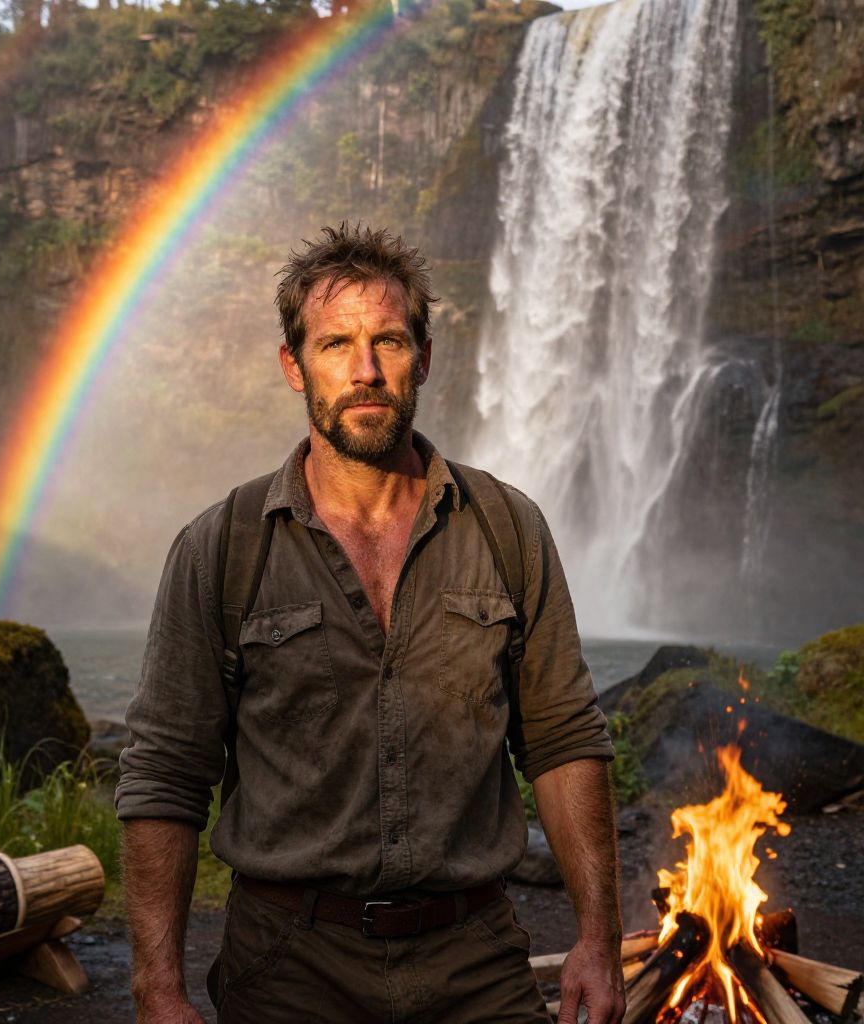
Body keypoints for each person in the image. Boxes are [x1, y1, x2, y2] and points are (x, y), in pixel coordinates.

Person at [115, 223, 626, 1024]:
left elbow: (562, 740)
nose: (365, 372)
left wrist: (598, 938)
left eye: (388, 341)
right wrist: (157, 986)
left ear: (424, 357)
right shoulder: (223, 548)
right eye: (335, 345)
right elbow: (167, 772)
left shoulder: (506, 528)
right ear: (294, 365)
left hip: (477, 960)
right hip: (288, 962)